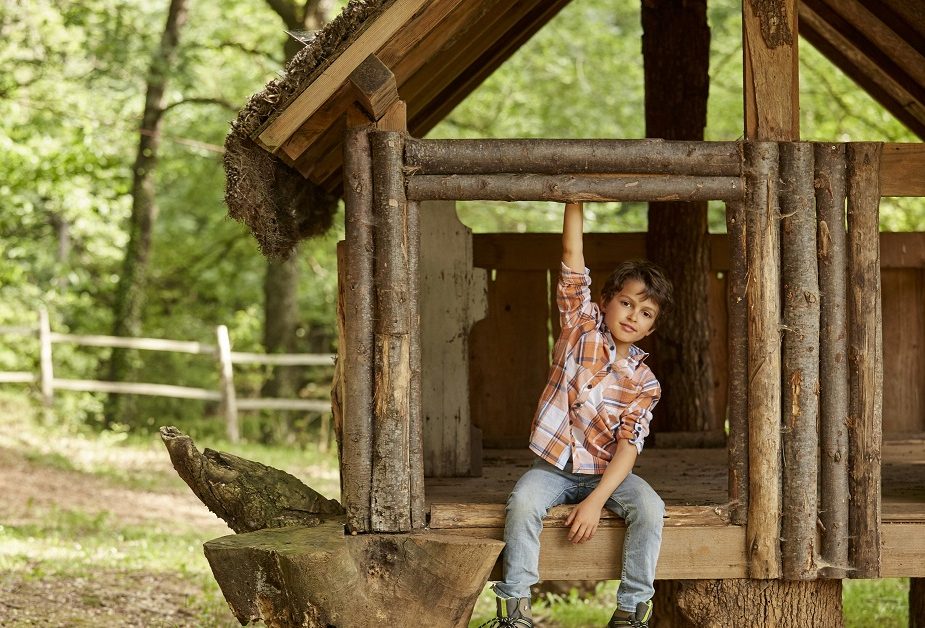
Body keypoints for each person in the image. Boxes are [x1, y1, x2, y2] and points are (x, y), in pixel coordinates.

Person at [481, 202, 673, 628]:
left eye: (645, 313)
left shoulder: (646, 383)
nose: (632, 316)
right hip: (554, 467)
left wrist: (594, 502)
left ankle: (631, 612)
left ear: (651, 328)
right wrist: (575, 198)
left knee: (650, 506)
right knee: (523, 502)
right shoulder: (581, 328)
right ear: (605, 302)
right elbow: (572, 260)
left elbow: (628, 448)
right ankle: (515, 612)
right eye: (626, 303)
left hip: (607, 474)